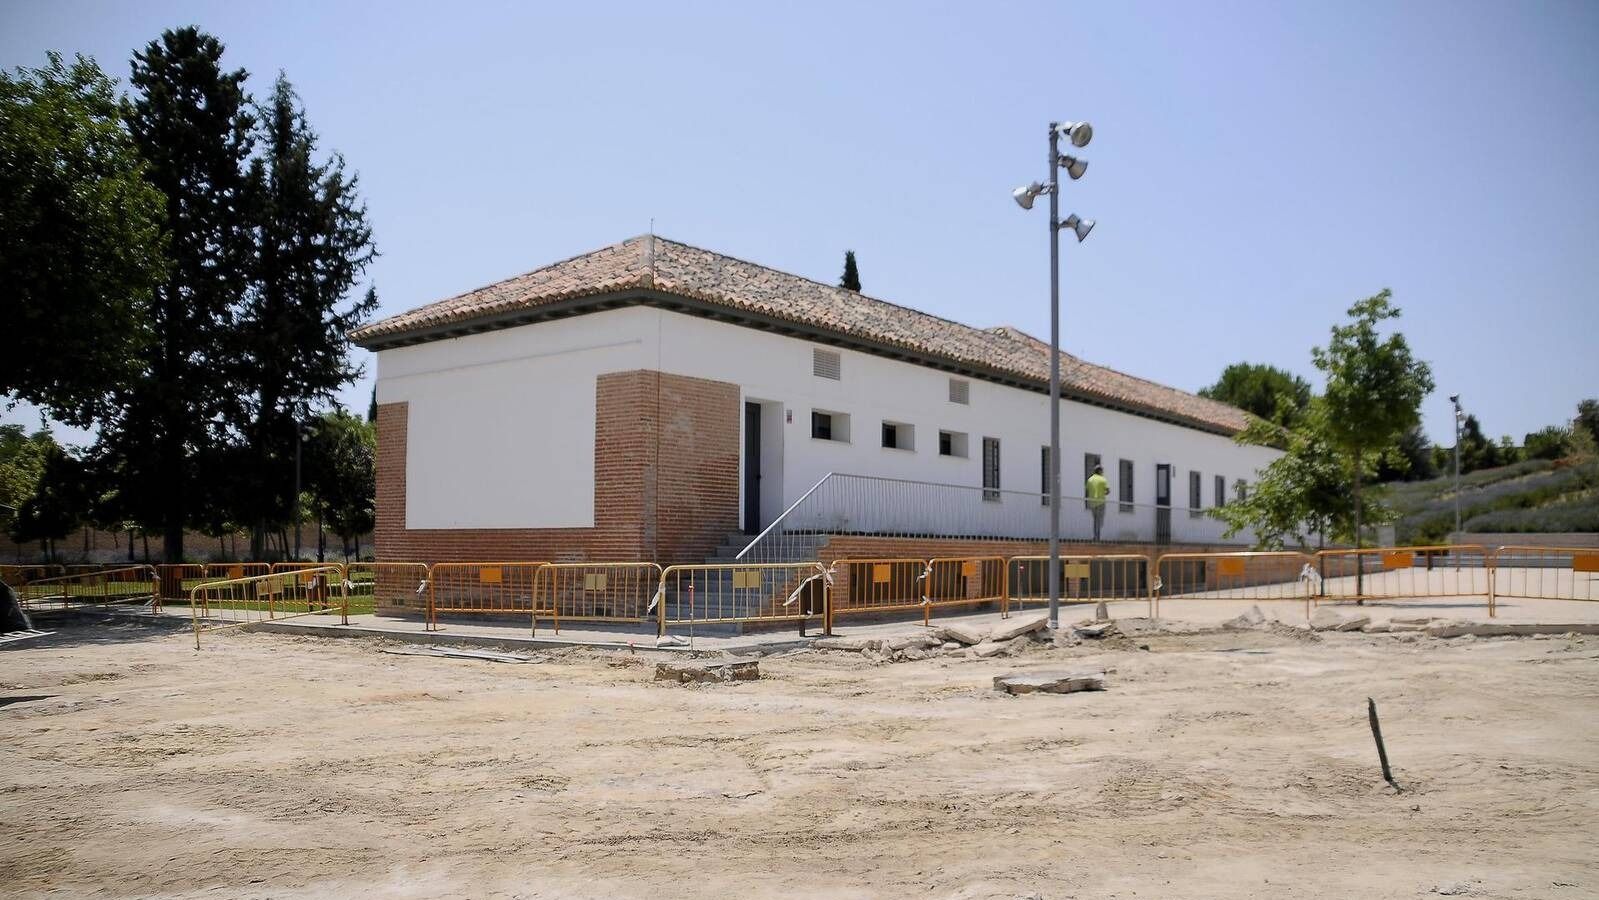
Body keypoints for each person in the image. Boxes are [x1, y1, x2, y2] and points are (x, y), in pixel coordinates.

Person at [1085, 464, 1110, 541]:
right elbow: (1108, 491)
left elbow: (1087, 490)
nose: (1102, 472)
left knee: (1095, 520)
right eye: (1102, 471)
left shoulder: (1090, 479)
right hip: (1101, 502)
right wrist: (1103, 493)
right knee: (1099, 520)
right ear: (1099, 471)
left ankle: (1095, 536)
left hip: (1092, 502)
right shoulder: (1103, 479)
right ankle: (1097, 537)